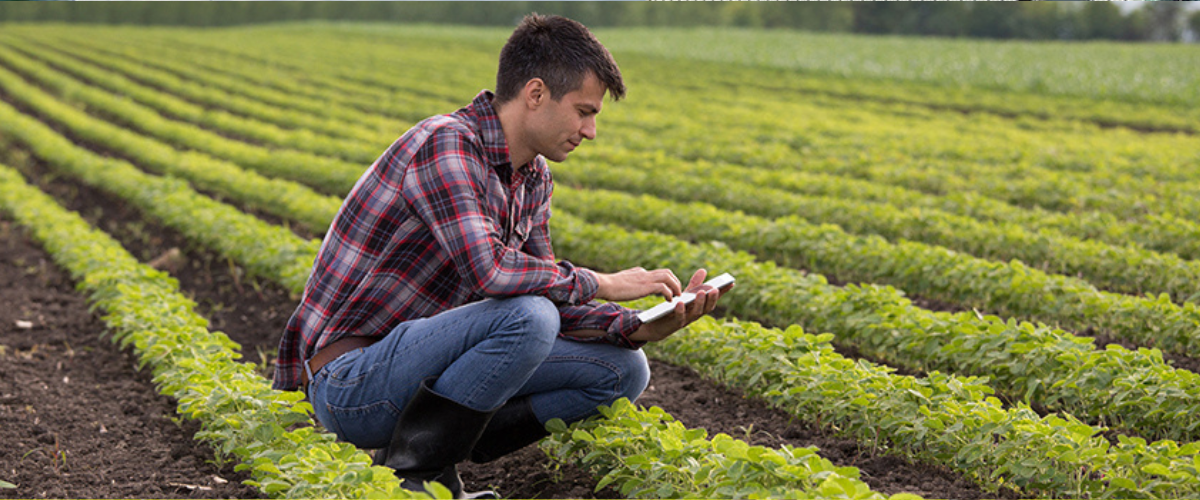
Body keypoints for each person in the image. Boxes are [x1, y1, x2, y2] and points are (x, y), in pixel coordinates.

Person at [272, 13, 730, 499]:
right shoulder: (446, 144)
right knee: (527, 317)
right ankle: (419, 478)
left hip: (422, 371)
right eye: (583, 111)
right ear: (535, 94)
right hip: (353, 383)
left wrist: (635, 326)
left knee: (623, 370)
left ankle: (428, 450)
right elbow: (491, 272)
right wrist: (605, 281)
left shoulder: (532, 178)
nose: (591, 130)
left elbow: (547, 292)